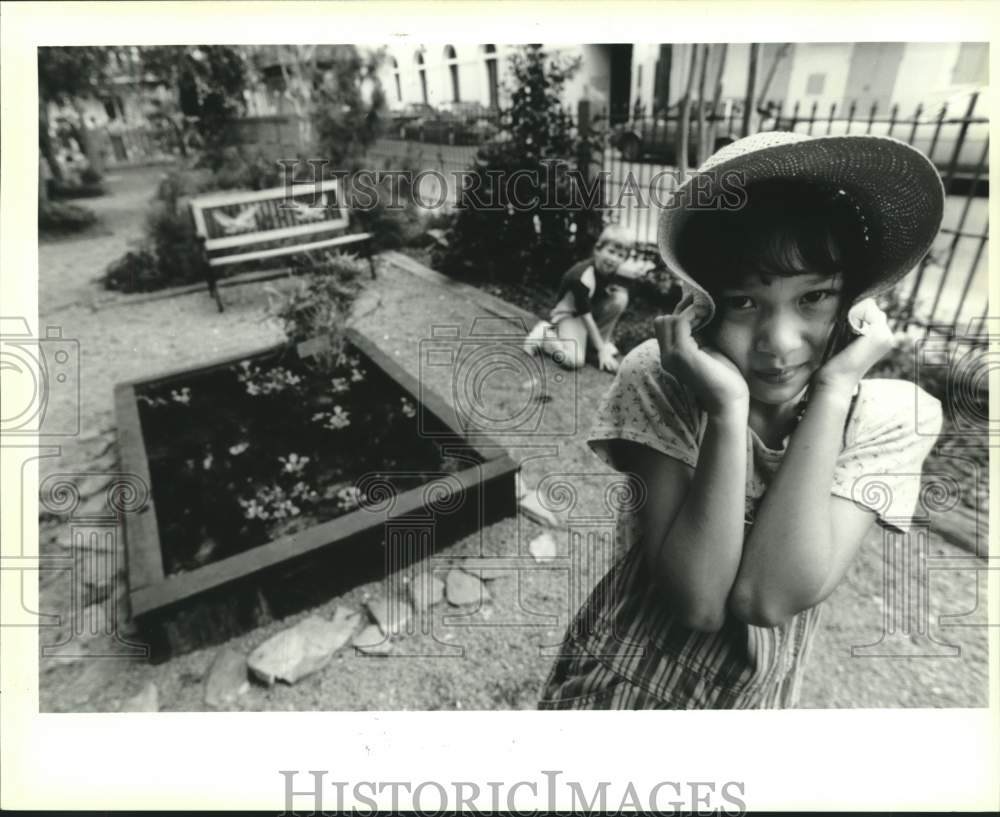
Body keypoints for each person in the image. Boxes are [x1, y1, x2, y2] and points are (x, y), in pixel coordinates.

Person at [538, 131, 945, 709]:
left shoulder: (889, 418)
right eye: (743, 301)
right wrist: (726, 413)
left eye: (815, 297)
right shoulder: (663, 378)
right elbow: (697, 601)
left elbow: (767, 599)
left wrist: (832, 391)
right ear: (702, 302)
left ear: (852, 299)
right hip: (617, 687)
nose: (779, 345)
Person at [523, 223, 651, 373]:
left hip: (587, 312)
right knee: (574, 360)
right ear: (598, 249)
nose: (613, 259)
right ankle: (546, 337)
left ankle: (594, 346)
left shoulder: (607, 271)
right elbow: (586, 317)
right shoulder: (582, 276)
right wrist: (602, 350)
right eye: (610, 251)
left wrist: (602, 343)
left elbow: (601, 299)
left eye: (620, 256)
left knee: (620, 297)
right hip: (570, 316)